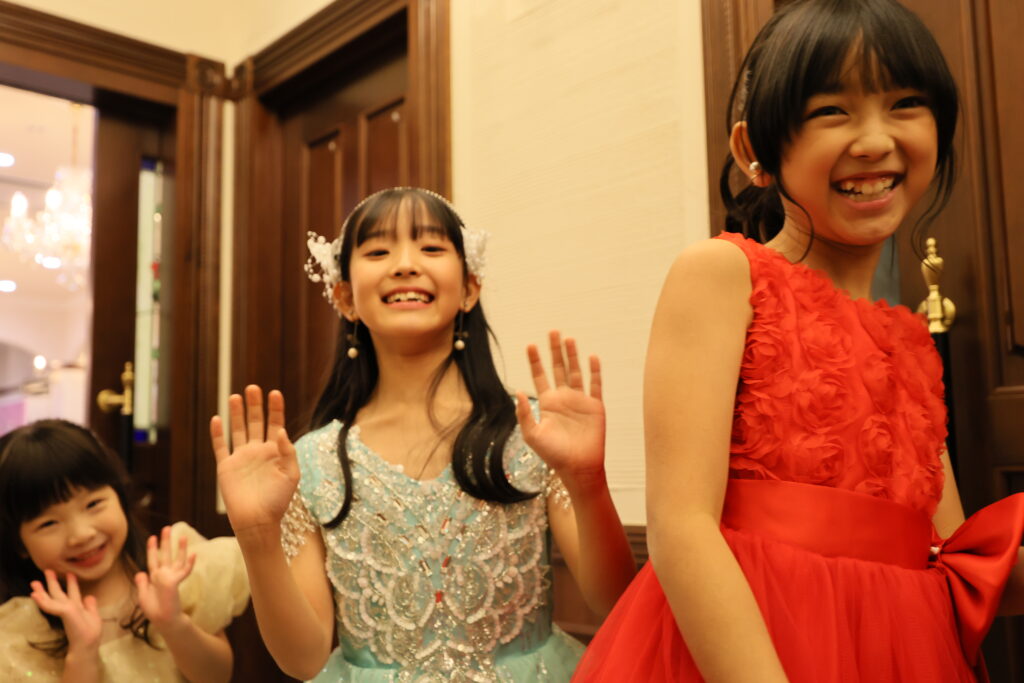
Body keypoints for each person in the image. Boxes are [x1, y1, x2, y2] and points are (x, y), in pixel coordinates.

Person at [573, 1, 1024, 681]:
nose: (874, 140)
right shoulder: (723, 275)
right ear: (752, 151)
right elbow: (681, 526)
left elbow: (952, 566)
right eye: (831, 111)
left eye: (905, 104)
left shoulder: (909, 343)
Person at [210, 187, 636, 681]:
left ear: (469, 288)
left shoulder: (532, 436)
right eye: (378, 252)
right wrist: (258, 537)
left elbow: (615, 603)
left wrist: (586, 480)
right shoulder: (313, 463)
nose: (406, 264)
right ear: (345, 297)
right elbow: (303, 659)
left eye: (431, 247)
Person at [0, 419, 249, 682]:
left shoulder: (174, 570)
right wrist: (82, 651)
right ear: (19, 543)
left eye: (93, 504)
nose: (82, 534)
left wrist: (173, 623)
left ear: (119, 496)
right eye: (49, 523)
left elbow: (217, 676)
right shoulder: (18, 635)